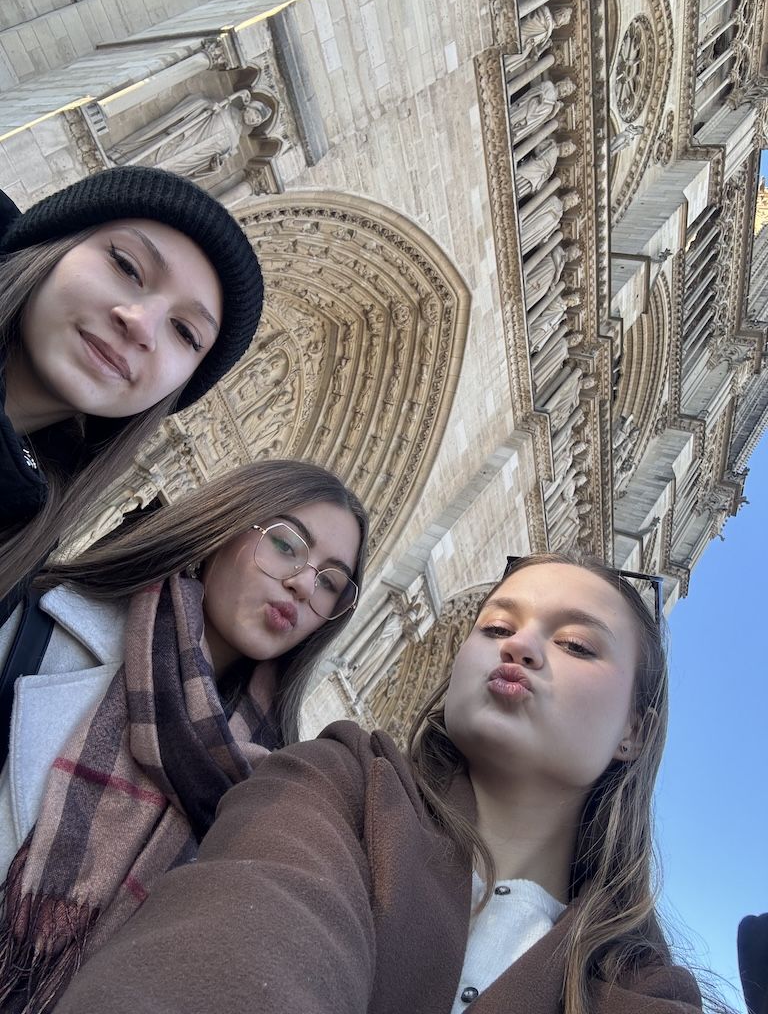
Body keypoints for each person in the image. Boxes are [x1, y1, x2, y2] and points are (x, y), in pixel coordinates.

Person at [52, 553, 707, 1014]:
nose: (520, 647)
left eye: (578, 645)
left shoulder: (648, 990)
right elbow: (243, 932)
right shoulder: (335, 786)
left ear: (635, 731)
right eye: (496, 627)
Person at [0, 458, 368, 1012]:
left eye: (330, 583)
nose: (301, 584)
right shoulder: (37, 626)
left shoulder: (272, 793)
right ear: (224, 525)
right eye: (286, 544)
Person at [0, 165, 264, 626]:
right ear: (53, 241)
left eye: (185, 332)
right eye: (126, 266)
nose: (141, 325)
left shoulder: (21, 546)